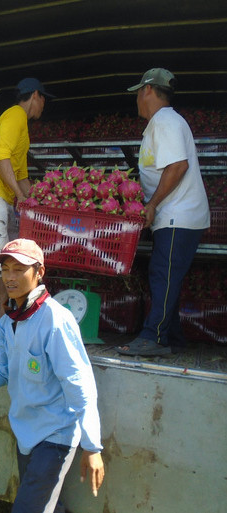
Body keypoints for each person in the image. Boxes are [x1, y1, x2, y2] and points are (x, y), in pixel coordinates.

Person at [0, 238, 104, 512]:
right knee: (47, 506)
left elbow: (79, 383)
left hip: (55, 435)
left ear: (39, 273)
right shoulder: (8, 322)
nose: (10, 278)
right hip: (26, 434)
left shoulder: (55, 320)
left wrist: (92, 446)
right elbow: (2, 370)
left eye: (18, 270)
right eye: (5, 270)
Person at [117, 68, 210, 356]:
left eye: (138, 94)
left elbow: (177, 166)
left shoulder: (165, 120)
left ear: (147, 90)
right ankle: (173, 338)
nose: (137, 101)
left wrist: (153, 204)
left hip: (178, 215)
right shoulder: (162, 123)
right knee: (165, 276)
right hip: (172, 216)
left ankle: (153, 337)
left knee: (163, 274)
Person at [0, 78, 53, 337]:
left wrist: (37, 200)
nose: (43, 107)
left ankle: (4, 317)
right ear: (36, 96)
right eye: (43, 100)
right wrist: (20, 195)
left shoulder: (23, 129)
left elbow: (21, 176)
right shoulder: (15, 114)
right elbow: (1, 158)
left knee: (3, 260)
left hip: (2, 199)